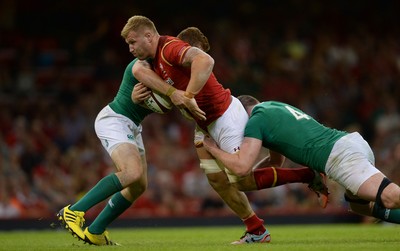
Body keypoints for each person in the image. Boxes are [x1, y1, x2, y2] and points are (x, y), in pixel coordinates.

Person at [56, 26, 324, 246]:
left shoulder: (173, 60)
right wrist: (154, 98)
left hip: (219, 118)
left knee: (235, 178)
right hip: (136, 121)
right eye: (128, 43)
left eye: (131, 42)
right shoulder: (154, 64)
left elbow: (188, 81)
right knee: (149, 176)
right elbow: (144, 76)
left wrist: (181, 97)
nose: (130, 48)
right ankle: (76, 211)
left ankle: (303, 177)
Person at [203, 95, 400, 224]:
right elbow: (275, 163)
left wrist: (213, 149)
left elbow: (240, 167)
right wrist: (253, 174)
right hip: (350, 143)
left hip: (338, 156)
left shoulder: (255, 121)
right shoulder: (272, 107)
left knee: (391, 197)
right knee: (360, 205)